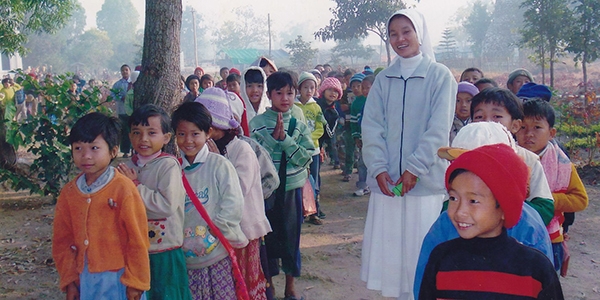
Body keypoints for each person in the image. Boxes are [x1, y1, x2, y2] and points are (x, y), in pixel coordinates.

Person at [360, 9, 457, 299]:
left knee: (421, 253)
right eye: (393, 33)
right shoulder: (383, 79)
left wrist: (414, 169)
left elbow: (438, 130)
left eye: (406, 31)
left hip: (424, 185)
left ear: (419, 33)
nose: (400, 39)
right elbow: (372, 126)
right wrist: (378, 168)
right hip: (388, 183)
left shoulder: (439, 76)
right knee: (391, 258)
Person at [413, 122, 554, 298]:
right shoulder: (444, 231)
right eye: (455, 162)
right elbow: (423, 286)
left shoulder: (530, 232)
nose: (461, 211)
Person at [52, 112, 150, 300]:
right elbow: (62, 241)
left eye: (94, 148)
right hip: (85, 278)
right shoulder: (69, 193)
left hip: (119, 278)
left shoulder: (123, 189)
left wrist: (137, 281)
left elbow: (137, 239)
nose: (86, 156)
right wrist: (70, 280)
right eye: (78, 148)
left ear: (113, 151)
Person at [196, 87, 271, 299]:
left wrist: (218, 161)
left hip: (244, 229)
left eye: (212, 128)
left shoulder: (241, 150)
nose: (208, 133)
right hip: (217, 231)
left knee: (245, 282)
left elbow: (238, 190)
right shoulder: (203, 152)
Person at [172, 102, 249, 299]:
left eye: (195, 134)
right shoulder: (173, 170)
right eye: (181, 134)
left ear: (208, 133)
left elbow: (233, 203)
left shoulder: (219, 165)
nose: (188, 140)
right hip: (186, 261)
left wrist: (217, 231)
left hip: (217, 256)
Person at [249, 71, 314, 300]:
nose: (285, 98)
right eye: (279, 93)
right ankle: (269, 285)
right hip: (265, 191)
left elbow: (306, 158)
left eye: (290, 93)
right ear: (269, 95)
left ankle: (290, 286)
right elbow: (253, 157)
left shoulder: (298, 121)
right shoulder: (256, 124)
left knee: (291, 237)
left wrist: (285, 140)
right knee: (267, 239)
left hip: (292, 189)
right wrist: (273, 141)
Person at [116, 104, 192, 299]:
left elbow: (166, 205)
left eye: (151, 133)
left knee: (167, 293)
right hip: (137, 247)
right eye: (137, 133)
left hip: (164, 248)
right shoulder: (127, 166)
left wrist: (135, 186)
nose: (144, 139)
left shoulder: (168, 166)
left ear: (166, 138)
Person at [516, 99, 588, 272]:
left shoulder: (562, 165)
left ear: (552, 133)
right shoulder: (511, 157)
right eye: (523, 128)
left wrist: (546, 200)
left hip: (550, 238)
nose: (529, 134)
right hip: (515, 236)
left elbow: (580, 200)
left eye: (537, 128)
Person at [470, 87, 555, 225]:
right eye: (479, 117)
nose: (487, 122)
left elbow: (545, 207)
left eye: (496, 117)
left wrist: (501, 212)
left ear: (515, 125)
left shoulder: (529, 161)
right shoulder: (465, 158)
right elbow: (448, 203)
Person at [295, 72, 327, 225]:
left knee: (314, 181)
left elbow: (320, 128)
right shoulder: (293, 106)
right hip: (297, 151)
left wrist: (309, 139)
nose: (309, 91)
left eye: (312, 87)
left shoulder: (316, 107)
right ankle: (301, 211)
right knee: (300, 180)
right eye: (305, 87)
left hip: (313, 150)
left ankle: (315, 211)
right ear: (299, 88)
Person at [350, 74, 374, 196]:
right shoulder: (357, 104)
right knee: (362, 162)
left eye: (367, 87)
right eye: (362, 88)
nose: (364, 90)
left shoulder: (379, 102)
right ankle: (363, 185)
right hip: (364, 138)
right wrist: (356, 137)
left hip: (376, 139)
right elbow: (355, 123)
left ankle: (373, 185)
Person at [317, 77, 343, 171]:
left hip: (318, 145)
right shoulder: (314, 104)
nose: (332, 93)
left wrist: (324, 122)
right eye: (329, 89)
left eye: (336, 91)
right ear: (323, 91)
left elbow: (330, 134)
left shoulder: (334, 113)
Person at [111, 64, 132, 157]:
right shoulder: (118, 84)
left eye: (126, 70)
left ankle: (134, 150)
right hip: (122, 110)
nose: (125, 72)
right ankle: (125, 151)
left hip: (132, 111)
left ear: (130, 71)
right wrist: (120, 97)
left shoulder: (134, 83)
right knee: (124, 131)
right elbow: (113, 94)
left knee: (133, 130)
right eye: (123, 70)